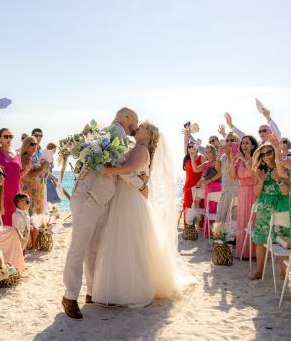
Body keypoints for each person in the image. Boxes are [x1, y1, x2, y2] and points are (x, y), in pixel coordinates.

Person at [92, 121, 191, 307]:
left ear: (148, 134)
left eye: (142, 126)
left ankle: (130, 290)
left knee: (127, 242)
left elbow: (124, 170)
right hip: (127, 196)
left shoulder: (141, 150)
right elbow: (136, 174)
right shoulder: (136, 148)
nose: (138, 128)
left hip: (129, 199)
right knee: (125, 241)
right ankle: (120, 287)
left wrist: (99, 168)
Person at [62, 107, 139, 320]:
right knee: (79, 247)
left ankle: (92, 292)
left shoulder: (108, 133)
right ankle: (69, 296)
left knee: (93, 248)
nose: (135, 125)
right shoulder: (117, 132)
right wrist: (140, 183)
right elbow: (120, 165)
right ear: (127, 117)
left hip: (98, 197)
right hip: (88, 196)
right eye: (134, 120)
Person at [250, 142, 290, 280]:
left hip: (281, 207)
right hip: (264, 207)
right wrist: (260, 182)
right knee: (261, 240)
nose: (266, 157)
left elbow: (286, 192)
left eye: (269, 153)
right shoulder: (261, 170)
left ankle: (284, 273)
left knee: (281, 241)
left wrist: (279, 180)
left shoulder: (283, 167)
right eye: (263, 154)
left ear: (275, 152)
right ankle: (260, 271)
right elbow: (256, 192)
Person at [0, 108, 27, 225]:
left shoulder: (17, 154)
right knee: (0, 227)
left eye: (10, 136)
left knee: (16, 226)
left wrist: (27, 170)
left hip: (15, 196)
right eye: (5, 136)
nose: (8, 139)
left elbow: (17, 176)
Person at [229, 135, 259, 258]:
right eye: (242, 143)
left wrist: (245, 160)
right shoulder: (239, 160)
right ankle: (244, 252)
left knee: (254, 220)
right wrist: (232, 160)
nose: (244, 145)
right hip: (243, 191)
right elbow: (233, 176)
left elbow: (255, 173)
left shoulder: (256, 158)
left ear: (253, 146)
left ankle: (256, 252)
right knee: (243, 220)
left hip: (255, 190)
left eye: (247, 143)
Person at [189, 144, 222, 236]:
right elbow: (195, 169)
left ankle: (216, 232)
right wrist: (192, 158)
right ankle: (209, 232)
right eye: (205, 152)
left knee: (215, 209)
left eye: (209, 152)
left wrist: (209, 180)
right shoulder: (206, 164)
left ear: (213, 152)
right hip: (208, 188)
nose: (207, 154)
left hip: (216, 187)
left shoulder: (216, 162)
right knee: (209, 209)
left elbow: (220, 173)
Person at [215, 133, 240, 230]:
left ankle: (230, 238)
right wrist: (219, 155)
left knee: (233, 216)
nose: (229, 142)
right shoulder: (223, 156)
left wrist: (229, 155)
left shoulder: (238, 156)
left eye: (232, 140)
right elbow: (217, 169)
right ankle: (219, 238)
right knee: (221, 213)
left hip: (235, 188)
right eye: (228, 140)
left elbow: (232, 172)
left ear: (237, 141)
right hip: (225, 188)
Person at [20, 135, 49, 214]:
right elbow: (30, 176)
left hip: (34, 192)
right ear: (26, 145)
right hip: (29, 192)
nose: (35, 146)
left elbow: (36, 174)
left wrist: (44, 168)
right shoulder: (26, 158)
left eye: (36, 144)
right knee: (31, 216)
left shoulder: (31, 157)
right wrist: (42, 167)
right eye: (32, 144)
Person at [181, 127, 203, 225]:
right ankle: (189, 225)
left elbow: (204, 171)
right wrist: (187, 131)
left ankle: (198, 225)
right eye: (189, 146)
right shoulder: (187, 157)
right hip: (188, 186)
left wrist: (201, 181)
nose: (190, 148)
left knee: (197, 205)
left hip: (198, 185)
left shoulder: (201, 157)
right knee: (188, 205)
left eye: (192, 146)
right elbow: (185, 141)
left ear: (196, 147)